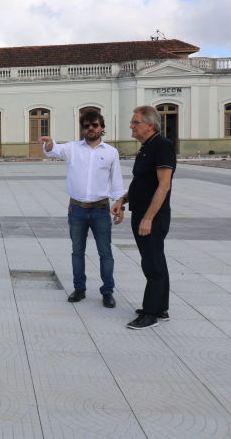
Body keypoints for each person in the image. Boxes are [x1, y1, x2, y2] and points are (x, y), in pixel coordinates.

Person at [40, 110, 124, 308]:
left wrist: (120, 205)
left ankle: (107, 291)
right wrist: (50, 144)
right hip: (76, 209)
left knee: (105, 252)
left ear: (102, 127)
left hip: (101, 209)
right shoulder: (73, 148)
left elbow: (117, 183)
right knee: (77, 251)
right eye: (87, 126)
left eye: (95, 125)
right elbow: (54, 150)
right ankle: (79, 288)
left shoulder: (110, 152)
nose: (91, 129)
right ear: (83, 128)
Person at [111, 105, 175, 330]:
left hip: (153, 217)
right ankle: (161, 307)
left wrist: (148, 218)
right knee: (156, 260)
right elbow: (142, 183)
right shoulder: (147, 147)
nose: (131, 125)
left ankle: (150, 314)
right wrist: (122, 200)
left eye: (135, 122)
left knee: (152, 264)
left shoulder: (162, 146)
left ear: (149, 125)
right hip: (141, 213)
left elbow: (163, 185)